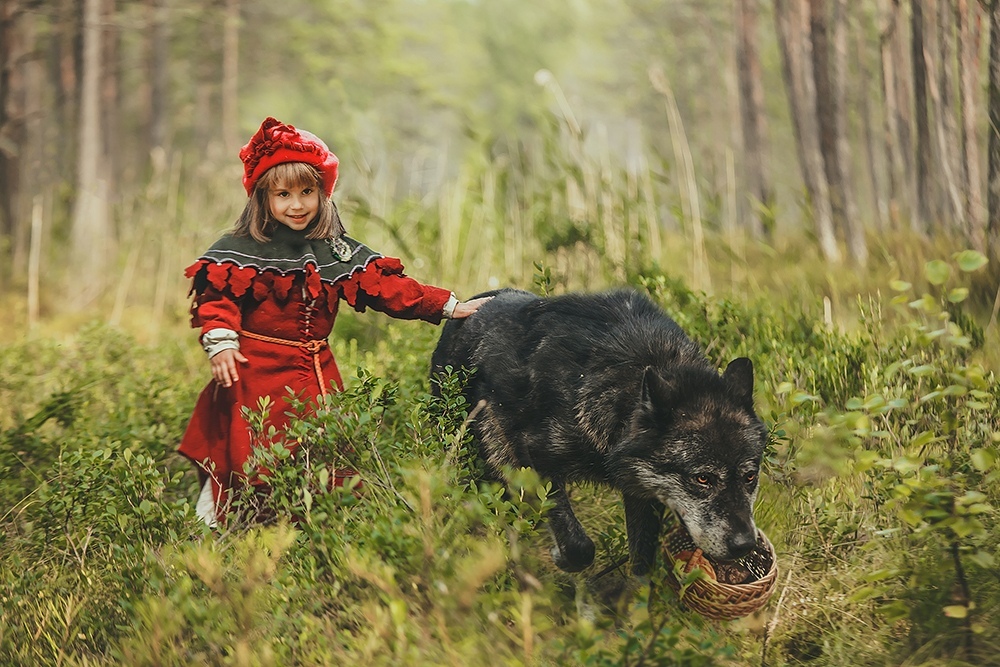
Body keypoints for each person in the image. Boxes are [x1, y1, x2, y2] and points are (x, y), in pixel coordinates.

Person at [179, 117, 490, 526]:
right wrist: (222, 344)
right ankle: (229, 537)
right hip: (255, 375)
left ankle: (315, 537)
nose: (297, 204)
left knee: (324, 461)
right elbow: (218, 298)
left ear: (322, 193)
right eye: (284, 194)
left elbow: (384, 287)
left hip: (315, 374)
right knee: (252, 460)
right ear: (262, 198)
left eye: (307, 192)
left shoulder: (335, 249)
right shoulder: (239, 249)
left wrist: (447, 305)